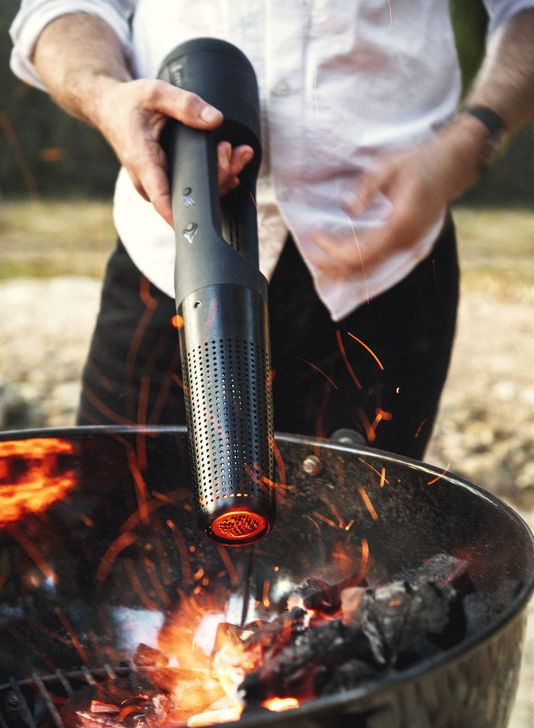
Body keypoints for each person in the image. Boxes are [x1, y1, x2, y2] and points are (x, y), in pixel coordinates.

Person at [9, 1, 534, 458]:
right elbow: (62, 6)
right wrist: (104, 94)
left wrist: (473, 137)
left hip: (384, 267)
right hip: (167, 258)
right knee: (116, 536)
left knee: (359, 560)